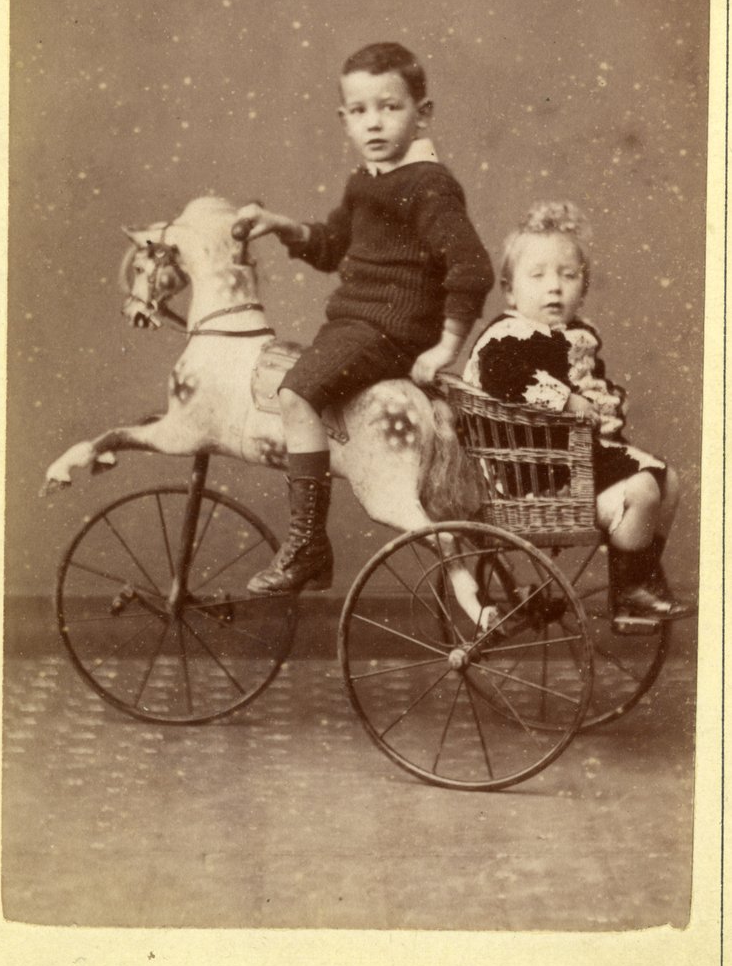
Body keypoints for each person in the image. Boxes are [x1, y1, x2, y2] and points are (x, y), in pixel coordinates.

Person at [236, 41, 494, 595]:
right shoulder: (366, 181)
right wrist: (282, 225)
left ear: (422, 113)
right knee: (299, 380)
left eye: (389, 107)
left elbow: (471, 268)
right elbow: (333, 246)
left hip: (389, 332)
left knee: (295, 394)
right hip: (356, 327)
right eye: (359, 110)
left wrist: (446, 347)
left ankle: (308, 543)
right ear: (344, 119)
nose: (373, 122)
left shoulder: (428, 185)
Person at [463, 201, 693, 632]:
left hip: (580, 458)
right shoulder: (508, 337)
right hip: (534, 470)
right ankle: (630, 589)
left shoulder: (577, 336)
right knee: (643, 489)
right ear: (510, 291)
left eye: (568, 276)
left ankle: (637, 579)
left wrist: (609, 402)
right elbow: (506, 378)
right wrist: (568, 401)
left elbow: (595, 383)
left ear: (582, 289)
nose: (554, 287)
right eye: (538, 276)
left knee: (670, 482)